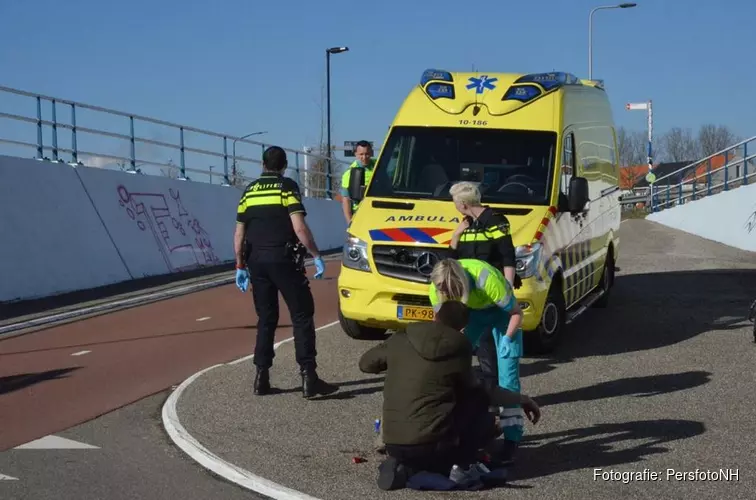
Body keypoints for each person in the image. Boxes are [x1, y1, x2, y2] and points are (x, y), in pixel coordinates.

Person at [358, 300, 540, 491]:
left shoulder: (401, 337)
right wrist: (522, 399)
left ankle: (407, 465)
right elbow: (481, 390)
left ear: (435, 315)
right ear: (463, 327)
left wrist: (393, 355)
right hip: (433, 446)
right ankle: (457, 463)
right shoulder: (458, 345)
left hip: (393, 443)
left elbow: (366, 364)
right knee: (475, 402)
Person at [234, 145, 330, 399]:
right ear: (284, 165)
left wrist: (240, 265)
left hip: (256, 261)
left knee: (266, 320)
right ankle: (309, 377)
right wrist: (317, 255)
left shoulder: (249, 191)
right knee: (301, 314)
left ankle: (261, 378)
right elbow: (299, 227)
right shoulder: (287, 187)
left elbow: (239, 233)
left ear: (262, 165)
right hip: (284, 259)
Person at [429, 258, 525, 465]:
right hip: (472, 314)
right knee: (451, 367)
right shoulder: (436, 286)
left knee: (507, 378)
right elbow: (438, 326)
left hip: (503, 315)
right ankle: (459, 429)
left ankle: (512, 439)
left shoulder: (487, 280)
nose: (445, 294)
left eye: (451, 291)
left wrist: (508, 338)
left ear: (460, 284)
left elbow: (516, 313)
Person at [340, 140, 375, 225]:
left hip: (377, 211)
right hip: (359, 213)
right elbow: (346, 201)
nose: (364, 157)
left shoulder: (379, 165)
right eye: (361, 154)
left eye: (367, 154)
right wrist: (350, 222)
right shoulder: (349, 173)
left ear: (371, 153)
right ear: (355, 154)